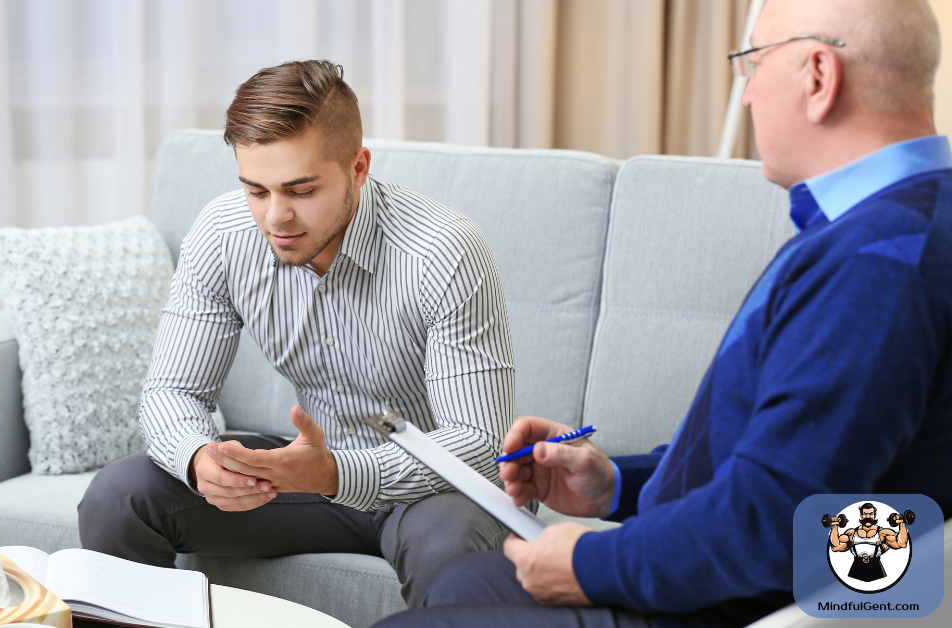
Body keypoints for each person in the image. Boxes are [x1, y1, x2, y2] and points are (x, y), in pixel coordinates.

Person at [375, 0, 952, 626]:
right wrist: (621, 485)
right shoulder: (903, 225)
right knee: (465, 578)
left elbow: (770, 517)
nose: (751, 96)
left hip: (737, 606)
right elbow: (781, 461)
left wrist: (592, 563)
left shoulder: (878, 262)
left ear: (818, 75)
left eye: (754, 65)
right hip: (751, 580)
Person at [77, 59, 513, 607]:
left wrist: (336, 472)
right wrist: (197, 458)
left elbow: (475, 443)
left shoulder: (443, 252)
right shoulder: (223, 235)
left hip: (434, 491)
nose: (275, 217)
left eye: (301, 190)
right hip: (308, 479)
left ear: (358, 168)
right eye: (255, 190)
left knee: (451, 546)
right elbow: (174, 392)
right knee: (119, 496)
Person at [829, 502, 909, 582]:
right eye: (865, 514)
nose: (868, 517)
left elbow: (901, 543)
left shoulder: (882, 533)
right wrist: (835, 525)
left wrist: (901, 522)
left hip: (876, 568)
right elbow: (835, 546)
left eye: (871, 514)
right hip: (856, 568)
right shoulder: (852, 533)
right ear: (861, 515)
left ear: (874, 515)